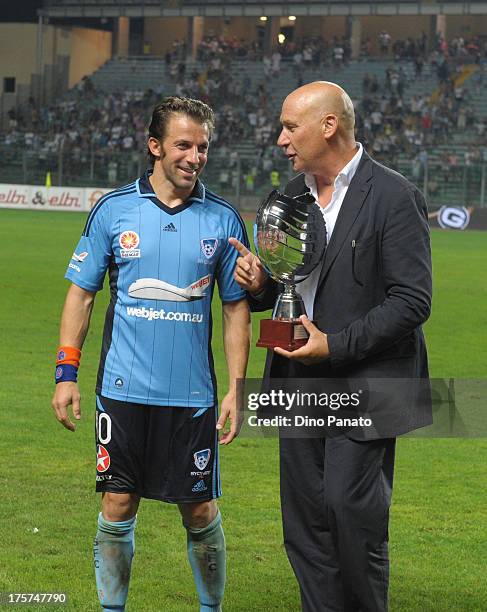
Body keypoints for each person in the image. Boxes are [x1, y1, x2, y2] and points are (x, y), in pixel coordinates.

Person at [230, 81, 432, 611]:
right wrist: (259, 285)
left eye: (290, 127)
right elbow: (287, 283)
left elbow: (411, 301)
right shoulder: (291, 197)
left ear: (328, 126)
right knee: (304, 524)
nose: (280, 140)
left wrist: (335, 346)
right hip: (297, 381)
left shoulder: (393, 195)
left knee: (348, 509)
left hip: (362, 383)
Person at [51, 96, 251, 612]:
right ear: (155, 146)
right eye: (184, 145)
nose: (195, 156)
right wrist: (65, 373)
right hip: (122, 390)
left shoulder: (225, 220)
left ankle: (211, 609)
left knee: (200, 510)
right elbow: (82, 293)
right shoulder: (114, 211)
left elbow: (235, 310)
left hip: (192, 396)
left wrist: (236, 388)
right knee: (117, 502)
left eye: (203, 147)